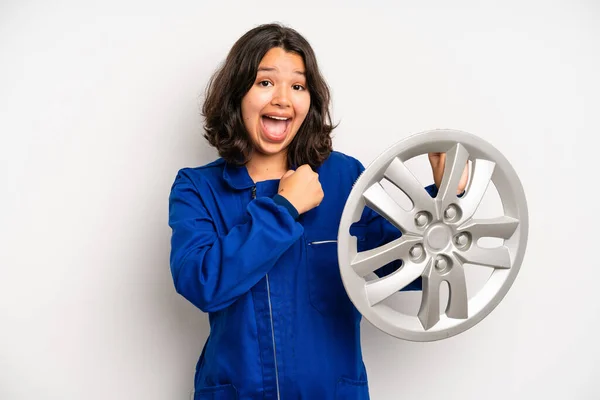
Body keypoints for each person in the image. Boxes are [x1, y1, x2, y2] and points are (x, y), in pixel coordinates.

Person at [168, 23, 468, 400]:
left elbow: (399, 265)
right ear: (236, 94)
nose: (282, 99)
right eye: (264, 83)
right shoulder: (197, 188)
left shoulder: (344, 178)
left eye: (298, 86)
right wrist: (285, 208)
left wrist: (446, 200)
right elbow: (202, 284)